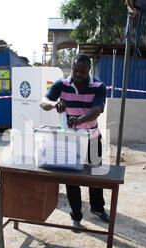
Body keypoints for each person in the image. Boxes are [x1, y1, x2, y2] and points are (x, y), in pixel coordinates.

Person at [40, 53, 109, 230]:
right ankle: (76, 215)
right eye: (75, 70)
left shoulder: (99, 86)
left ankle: (97, 208)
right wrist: (55, 105)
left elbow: (97, 110)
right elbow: (43, 101)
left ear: (89, 70)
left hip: (92, 138)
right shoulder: (61, 84)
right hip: (70, 141)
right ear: (72, 68)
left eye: (82, 71)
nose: (78, 75)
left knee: (96, 176)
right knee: (72, 179)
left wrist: (79, 120)